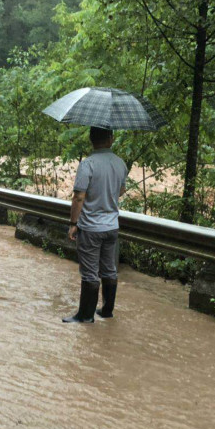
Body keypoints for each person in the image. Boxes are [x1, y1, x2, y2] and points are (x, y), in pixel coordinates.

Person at [63, 126, 128, 323]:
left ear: (92, 139)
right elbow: (121, 190)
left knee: (90, 272)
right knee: (109, 269)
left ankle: (85, 316)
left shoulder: (88, 164)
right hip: (111, 227)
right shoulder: (120, 163)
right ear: (111, 138)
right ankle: (107, 311)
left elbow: (79, 196)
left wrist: (73, 223)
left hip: (91, 227)